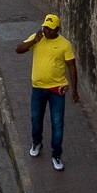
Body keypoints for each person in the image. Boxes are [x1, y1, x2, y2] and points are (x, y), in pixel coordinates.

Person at [14, 13, 75, 171]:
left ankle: (56, 154)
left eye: (50, 29)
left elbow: (72, 67)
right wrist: (34, 41)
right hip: (38, 88)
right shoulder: (37, 38)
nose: (46, 31)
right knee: (36, 119)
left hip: (56, 89)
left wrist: (75, 90)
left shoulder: (65, 45)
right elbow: (18, 50)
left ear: (57, 30)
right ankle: (36, 142)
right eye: (45, 27)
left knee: (57, 123)